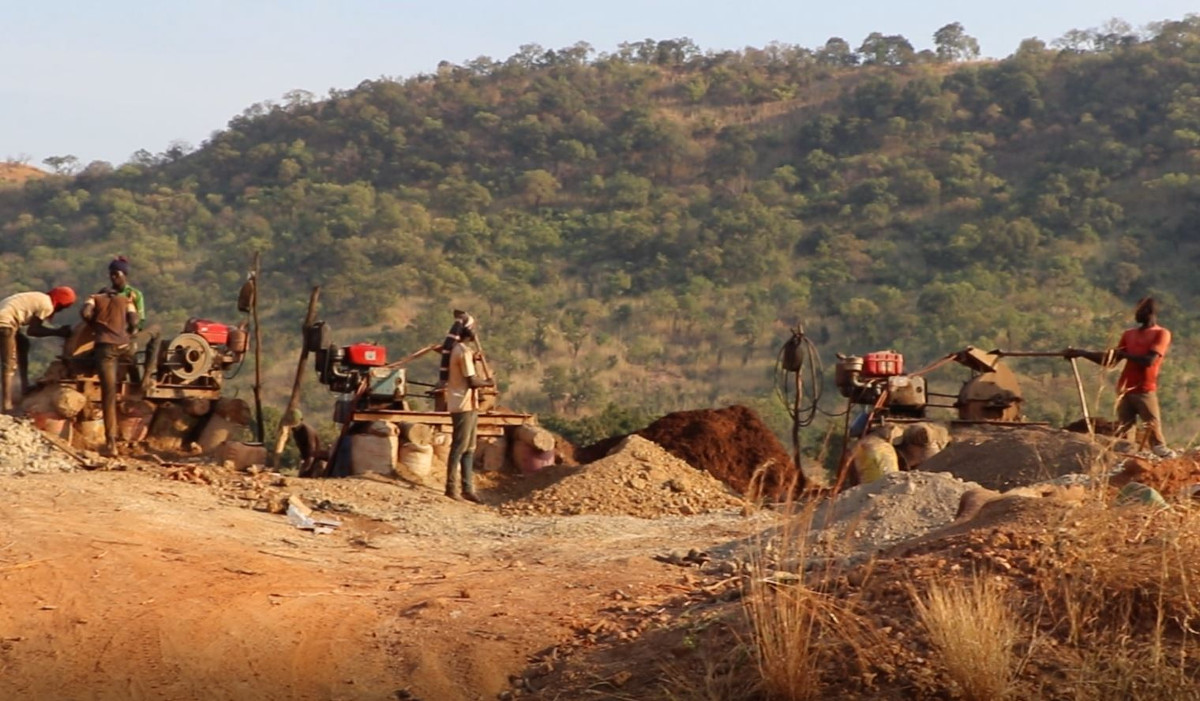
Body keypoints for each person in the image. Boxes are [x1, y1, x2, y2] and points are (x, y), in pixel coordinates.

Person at [1068, 297, 1175, 458]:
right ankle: (1125, 463)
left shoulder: (1161, 334)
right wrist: (1082, 353)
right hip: (1125, 389)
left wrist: (1124, 354)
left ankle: (1166, 460)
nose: (1137, 315)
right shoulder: (1129, 334)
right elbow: (1110, 361)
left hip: (1144, 389)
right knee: (1125, 433)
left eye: (1141, 311)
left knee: (1154, 432)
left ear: (1151, 313)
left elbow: (1149, 360)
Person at [81, 278, 140, 456]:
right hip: (124, 347)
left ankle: (111, 443)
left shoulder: (95, 298)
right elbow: (135, 321)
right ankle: (137, 384)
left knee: (109, 394)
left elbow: (85, 314)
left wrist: (95, 323)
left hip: (105, 348)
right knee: (131, 357)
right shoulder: (125, 300)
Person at [442, 311, 493, 502]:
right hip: (462, 403)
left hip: (470, 404)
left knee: (470, 448)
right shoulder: (462, 352)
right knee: (459, 446)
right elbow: (471, 380)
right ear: (468, 331)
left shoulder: (464, 351)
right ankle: (451, 488)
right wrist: (488, 383)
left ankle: (467, 488)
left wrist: (476, 359)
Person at [0, 287, 77, 411]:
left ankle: (24, 386)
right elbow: (33, 330)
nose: (60, 311)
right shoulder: (47, 305)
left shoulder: (41, 298)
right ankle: (6, 404)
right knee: (9, 363)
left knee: (23, 345)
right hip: (4, 323)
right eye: (62, 307)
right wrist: (58, 332)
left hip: (8, 318)